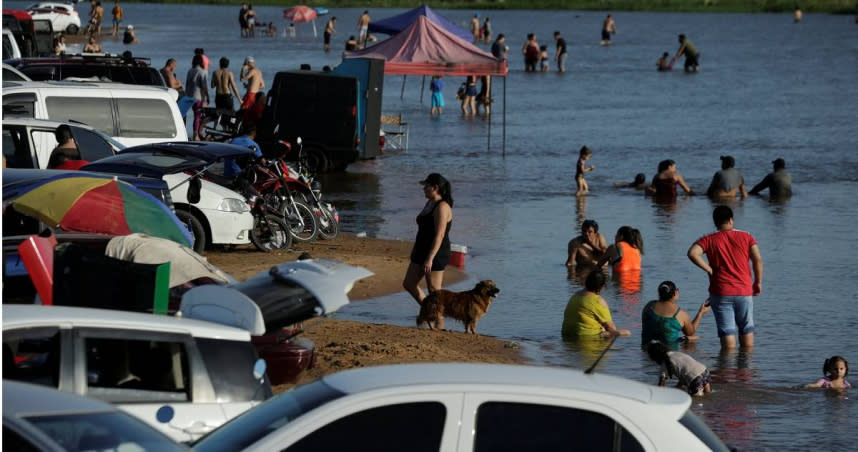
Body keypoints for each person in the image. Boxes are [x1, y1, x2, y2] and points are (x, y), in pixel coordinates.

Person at [687, 205, 763, 350]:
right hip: (744, 290)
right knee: (746, 330)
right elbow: (757, 259)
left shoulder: (709, 239)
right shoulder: (747, 236)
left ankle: (727, 368)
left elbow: (692, 253)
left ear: (715, 221)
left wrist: (709, 269)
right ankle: (745, 368)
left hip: (720, 292)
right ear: (731, 220)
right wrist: (758, 282)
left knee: (727, 334)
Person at [402, 173, 453, 305]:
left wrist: (430, 258)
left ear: (435, 187)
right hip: (421, 250)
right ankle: (429, 310)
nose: (423, 189)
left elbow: (439, 235)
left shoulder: (442, 207)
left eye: (426, 186)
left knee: (434, 290)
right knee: (409, 283)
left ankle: (438, 318)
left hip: (435, 253)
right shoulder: (430, 202)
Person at [562, 271, 631, 339]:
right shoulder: (598, 301)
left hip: (566, 335)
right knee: (627, 333)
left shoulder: (575, 296)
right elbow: (611, 328)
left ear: (586, 282)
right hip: (587, 337)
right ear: (601, 287)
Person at [641, 281, 710, 345]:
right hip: (669, 353)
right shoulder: (680, 314)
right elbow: (690, 332)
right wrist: (701, 313)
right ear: (675, 293)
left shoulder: (649, 306)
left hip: (647, 350)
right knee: (694, 338)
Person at [647, 342, 712, 397]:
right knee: (707, 396)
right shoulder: (676, 353)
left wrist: (656, 396)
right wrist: (677, 387)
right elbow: (685, 372)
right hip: (705, 372)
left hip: (695, 378)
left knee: (696, 401)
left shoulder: (664, 364)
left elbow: (661, 385)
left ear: (655, 357)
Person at [185, 54, 209, 141]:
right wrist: (207, 96)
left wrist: (187, 94)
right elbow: (204, 86)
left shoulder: (190, 71)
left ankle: (197, 133)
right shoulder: (201, 72)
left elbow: (187, 84)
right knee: (198, 116)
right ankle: (197, 134)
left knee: (196, 115)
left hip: (190, 95)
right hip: (198, 96)